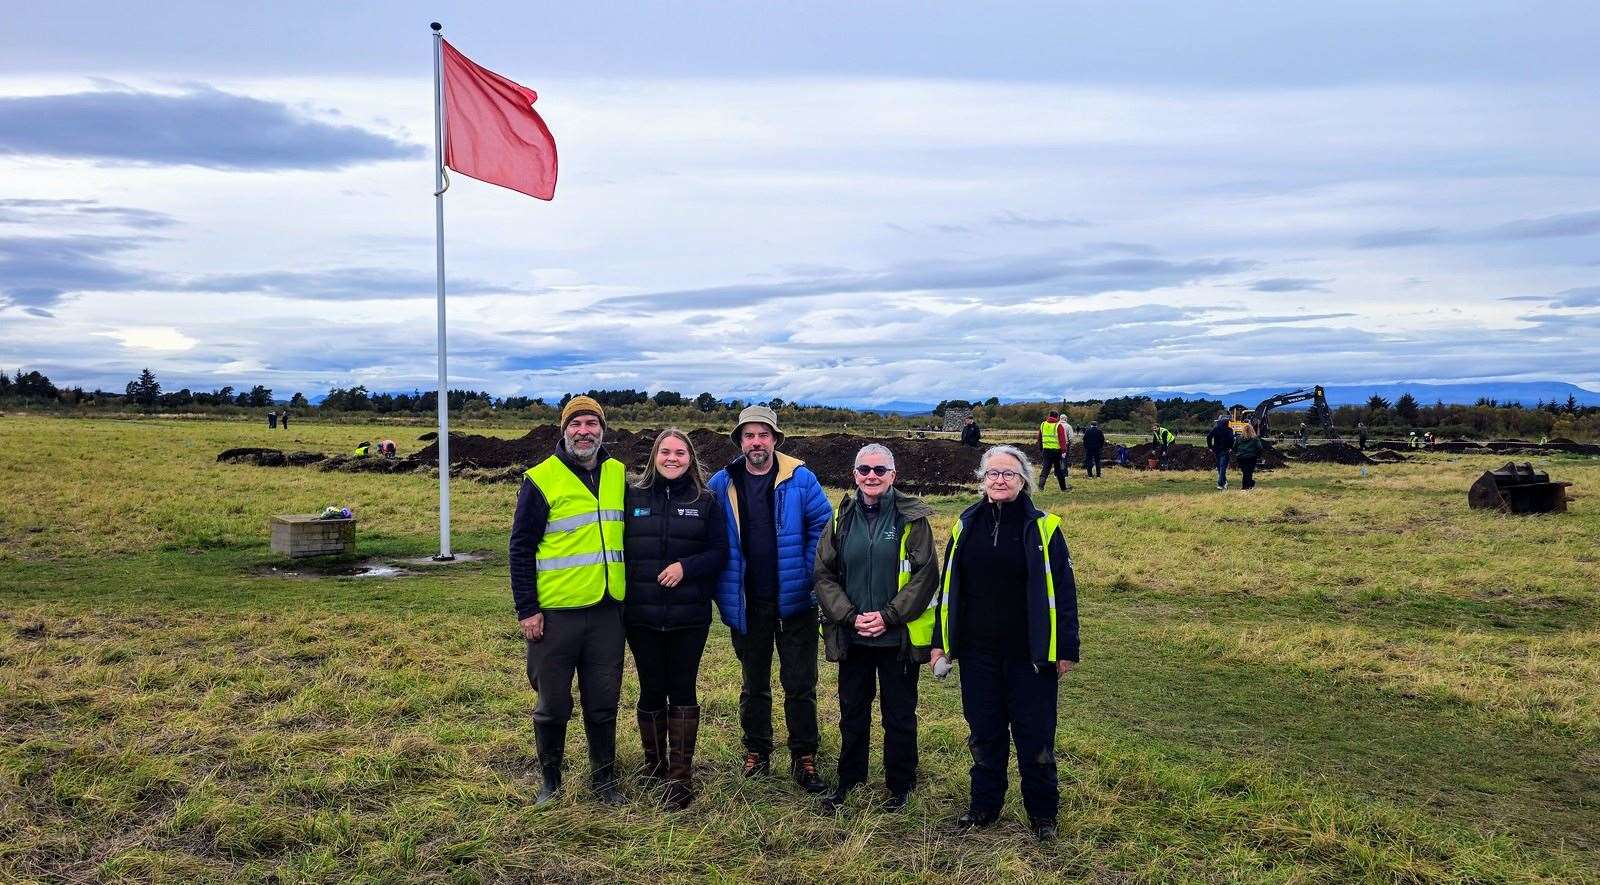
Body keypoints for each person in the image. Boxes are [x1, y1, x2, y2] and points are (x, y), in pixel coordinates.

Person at [930, 445, 1079, 843]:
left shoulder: (1044, 528)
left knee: (1035, 736)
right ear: (982, 480)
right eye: (992, 474)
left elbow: (1063, 592)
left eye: (1009, 474)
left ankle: (1043, 814)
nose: (999, 480)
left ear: (1023, 481)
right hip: (978, 653)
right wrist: (939, 643)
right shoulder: (965, 525)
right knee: (984, 732)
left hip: (1030, 656)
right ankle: (984, 806)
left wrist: (1065, 648)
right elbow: (948, 590)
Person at [510, 396, 628, 806]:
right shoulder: (540, 479)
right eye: (576, 423)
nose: (584, 431)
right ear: (564, 430)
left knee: (603, 701)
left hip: (607, 613)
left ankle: (603, 781)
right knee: (553, 705)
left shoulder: (618, 474)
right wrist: (527, 609)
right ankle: (551, 782)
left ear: (602, 430)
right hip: (556, 616)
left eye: (591, 424)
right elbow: (521, 548)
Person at [708, 405, 833, 794]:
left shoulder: (800, 478)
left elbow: (823, 526)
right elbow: (708, 534)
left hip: (795, 604)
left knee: (800, 684)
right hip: (748, 605)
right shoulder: (721, 483)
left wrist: (809, 577)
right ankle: (757, 752)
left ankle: (804, 756)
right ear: (740, 441)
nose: (756, 442)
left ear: (776, 439)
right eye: (749, 435)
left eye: (764, 434)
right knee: (754, 684)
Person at [812, 443, 939, 814]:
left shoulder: (912, 518)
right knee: (852, 711)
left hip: (896, 638)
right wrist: (850, 617)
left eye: (880, 470)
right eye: (864, 469)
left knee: (899, 714)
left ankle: (900, 785)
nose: (871, 476)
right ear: (854, 475)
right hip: (852, 637)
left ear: (893, 476)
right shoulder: (841, 518)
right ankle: (850, 780)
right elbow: (823, 572)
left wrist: (887, 616)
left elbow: (925, 575)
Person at [624, 429, 728, 810]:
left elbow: (720, 552)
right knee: (651, 688)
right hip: (641, 614)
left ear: (690, 458)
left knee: (682, 689)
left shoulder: (706, 501)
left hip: (689, 615)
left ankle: (680, 778)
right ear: (654, 456)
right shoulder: (631, 496)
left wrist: (687, 567)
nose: (672, 458)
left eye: (680, 452)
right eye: (665, 452)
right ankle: (654, 767)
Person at [1036, 411, 1072, 491]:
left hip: (1046, 451)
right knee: (1058, 470)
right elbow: (1062, 440)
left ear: (1049, 416)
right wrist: (1064, 451)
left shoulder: (1043, 424)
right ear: (1057, 417)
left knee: (1045, 469)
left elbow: (1039, 439)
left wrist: (1041, 449)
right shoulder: (1058, 425)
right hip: (1056, 452)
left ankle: (1040, 487)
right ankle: (1063, 488)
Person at [1205, 415, 1235, 490]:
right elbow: (1232, 439)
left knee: (1219, 467)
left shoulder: (1216, 429)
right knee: (1222, 467)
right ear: (1227, 423)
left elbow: (1209, 437)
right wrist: (1231, 447)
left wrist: (1210, 447)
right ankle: (1222, 483)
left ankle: (1222, 482)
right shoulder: (1230, 430)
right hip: (1225, 450)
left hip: (1217, 450)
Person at [1233, 423, 1264, 490]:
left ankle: (1247, 485)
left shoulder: (1238, 438)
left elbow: (1234, 447)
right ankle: (1247, 485)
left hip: (1241, 457)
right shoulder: (1255, 439)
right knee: (1249, 472)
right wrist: (1258, 455)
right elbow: (1260, 448)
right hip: (1251, 457)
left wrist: (1237, 453)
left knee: (1245, 472)